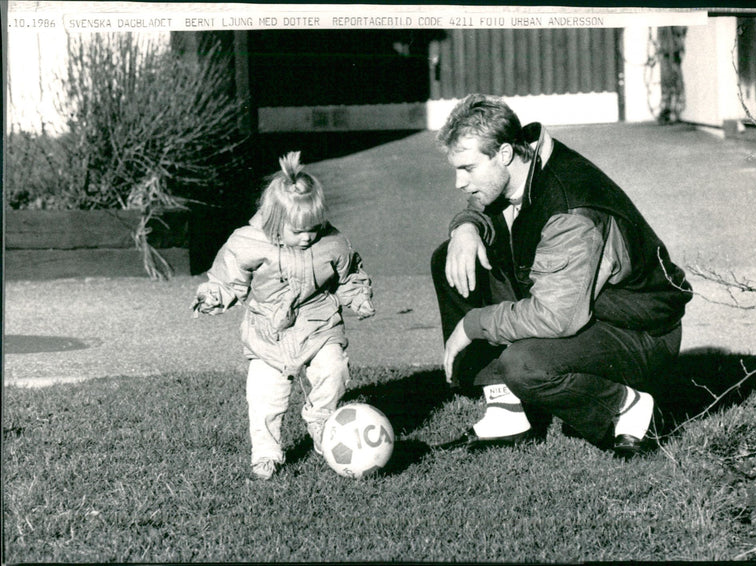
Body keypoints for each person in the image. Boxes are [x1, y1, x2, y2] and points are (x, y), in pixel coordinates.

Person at [430, 94, 692, 458]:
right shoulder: (525, 165)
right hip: (591, 312)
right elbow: (480, 202)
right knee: (453, 257)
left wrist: (473, 324)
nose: (460, 182)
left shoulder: (570, 210)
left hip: (640, 331)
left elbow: (556, 316)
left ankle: (628, 407)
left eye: (468, 168)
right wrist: (465, 228)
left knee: (524, 364)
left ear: (504, 154)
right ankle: (506, 411)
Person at [192, 151, 375, 479]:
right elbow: (227, 276)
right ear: (275, 222)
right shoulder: (248, 242)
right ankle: (266, 451)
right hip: (269, 331)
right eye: (298, 231)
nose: (308, 237)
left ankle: (321, 419)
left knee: (334, 368)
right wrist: (214, 294)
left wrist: (357, 296)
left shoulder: (332, 242)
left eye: (314, 228)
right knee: (264, 395)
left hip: (319, 322)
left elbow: (349, 272)